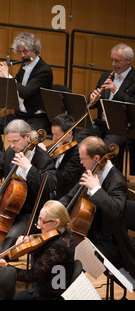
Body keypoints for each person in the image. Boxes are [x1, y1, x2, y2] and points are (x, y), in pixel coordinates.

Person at [0, 119, 56, 252]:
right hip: (6, 209)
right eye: (10, 141)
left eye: (15, 141)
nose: (12, 145)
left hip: (29, 213)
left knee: (10, 239)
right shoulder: (11, 152)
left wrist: (29, 168)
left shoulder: (42, 159)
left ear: (27, 137)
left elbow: (50, 184)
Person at [59, 136, 135, 276]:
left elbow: (116, 211)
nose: (81, 163)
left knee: (69, 259)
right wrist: (55, 208)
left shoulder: (117, 181)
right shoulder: (90, 170)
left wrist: (96, 189)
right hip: (88, 235)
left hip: (109, 241)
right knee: (57, 249)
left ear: (96, 158)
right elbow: (70, 196)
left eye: (83, 159)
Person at [0, 32, 53, 151]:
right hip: (20, 115)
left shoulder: (44, 70)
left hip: (37, 117)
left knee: (23, 138)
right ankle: (1, 158)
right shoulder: (24, 66)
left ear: (34, 50)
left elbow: (25, 92)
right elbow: (13, 88)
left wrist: (7, 75)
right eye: (20, 52)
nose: (22, 55)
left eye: (25, 52)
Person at [75, 44, 135, 173]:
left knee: (104, 150)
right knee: (79, 140)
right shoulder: (105, 76)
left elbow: (133, 105)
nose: (113, 64)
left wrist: (116, 91)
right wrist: (93, 99)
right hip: (101, 124)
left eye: (117, 61)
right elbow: (91, 103)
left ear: (129, 60)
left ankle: (102, 181)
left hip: (120, 128)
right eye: (112, 60)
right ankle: (81, 177)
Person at [0, 200, 75, 300]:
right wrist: (29, 238)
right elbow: (44, 239)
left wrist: (6, 266)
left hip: (49, 295)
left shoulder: (59, 246)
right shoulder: (64, 233)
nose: (39, 224)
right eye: (38, 219)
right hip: (43, 288)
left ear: (56, 223)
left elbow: (32, 276)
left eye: (43, 221)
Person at [39, 113, 83, 200]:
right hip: (51, 186)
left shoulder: (78, 152)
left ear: (69, 133)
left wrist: (45, 158)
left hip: (64, 193)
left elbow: (64, 177)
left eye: (57, 135)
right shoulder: (58, 144)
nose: (53, 139)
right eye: (52, 134)